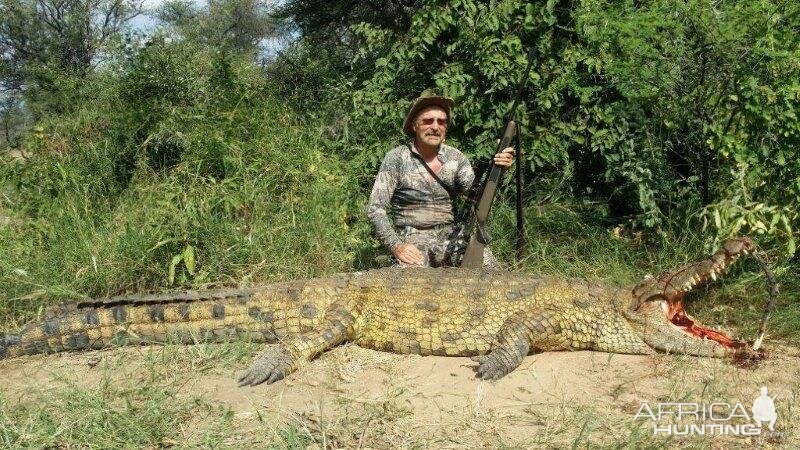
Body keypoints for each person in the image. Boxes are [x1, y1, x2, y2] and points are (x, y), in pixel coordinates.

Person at [366, 92, 515, 268]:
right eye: (428, 121)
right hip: (413, 239)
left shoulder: (456, 157)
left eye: (441, 122)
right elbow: (375, 209)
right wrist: (396, 246)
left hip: (453, 237)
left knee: (491, 270)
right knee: (407, 284)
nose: (435, 127)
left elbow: (478, 197)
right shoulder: (396, 158)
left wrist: (498, 170)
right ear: (414, 125)